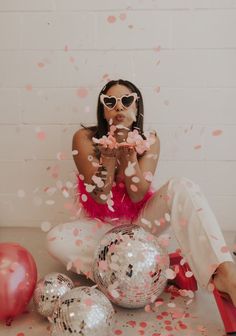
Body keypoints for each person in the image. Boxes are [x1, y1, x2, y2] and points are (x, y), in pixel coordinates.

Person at [46, 79, 236, 313]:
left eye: (126, 101)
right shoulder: (84, 138)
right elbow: (101, 197)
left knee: (182, 185)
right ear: (103, 110)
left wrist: (128, 155)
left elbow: (137, 195)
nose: (119, 107)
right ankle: (154, 268)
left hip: (141, 224)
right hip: (102, 229)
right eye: (110, 102)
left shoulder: (150, 141)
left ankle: (225, 273)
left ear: (137, 108)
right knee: (55, 239)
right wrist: (107, 157)